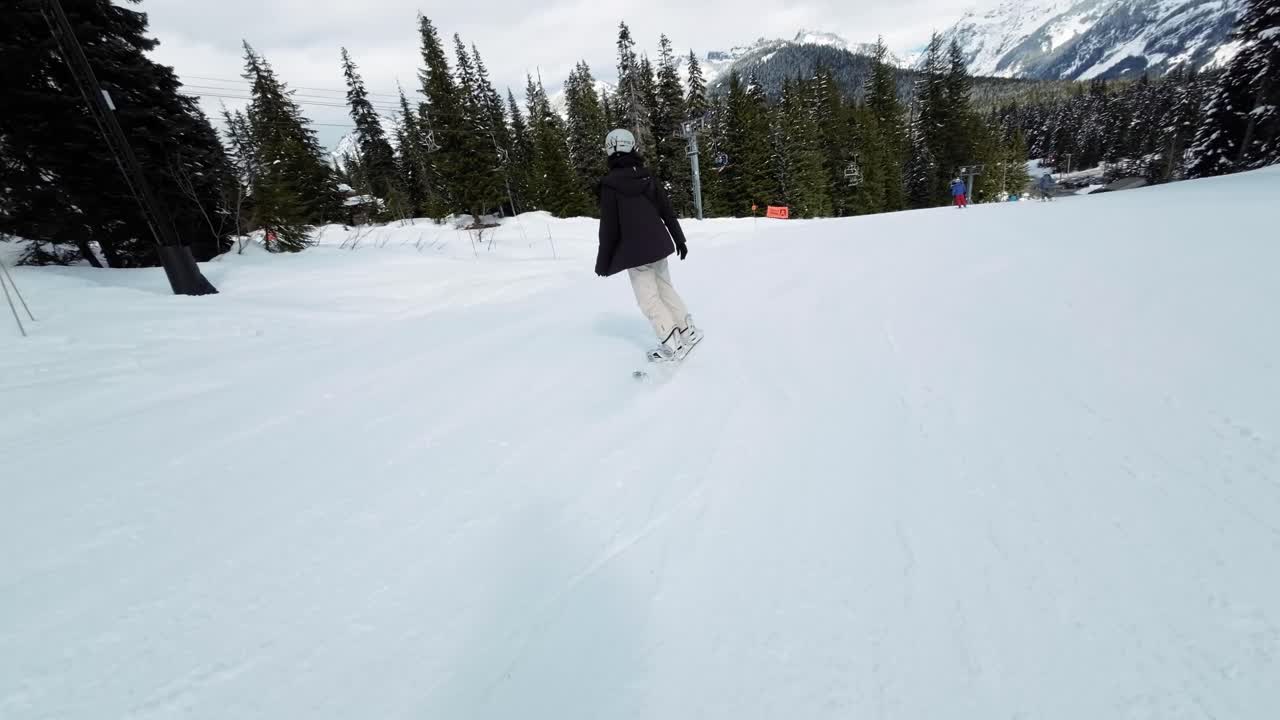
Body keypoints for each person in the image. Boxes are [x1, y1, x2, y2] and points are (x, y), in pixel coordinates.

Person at [595, 128, 701, 362]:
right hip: (658, 244)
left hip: (635, 251)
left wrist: (603, 261)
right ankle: (688, 331)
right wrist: (679, 239)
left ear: (610, 149)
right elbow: (666, 210)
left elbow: (609, 228)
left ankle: (672, 344)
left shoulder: (610, 185)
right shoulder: (646, 176)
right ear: (632, 147)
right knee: (665, 288)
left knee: (648, 299)